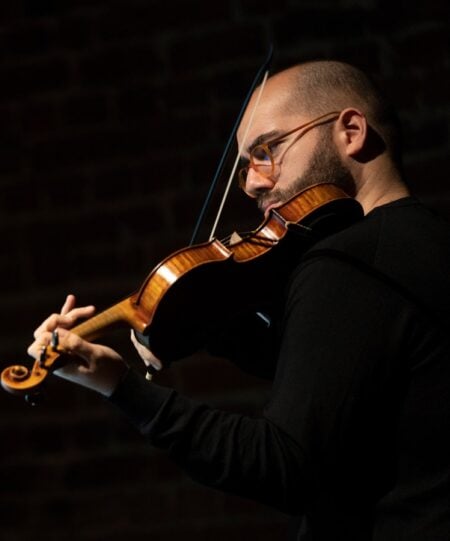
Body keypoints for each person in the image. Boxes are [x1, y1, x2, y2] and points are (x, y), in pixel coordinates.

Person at [28, 60, 450, 538]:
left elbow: (283, 464)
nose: (251, 182)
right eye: (245, 165)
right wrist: (211, 319)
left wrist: (121, 387)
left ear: (350, 131)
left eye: (266, 150)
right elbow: (343, 390)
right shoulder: (423, 246)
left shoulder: (348, 264)